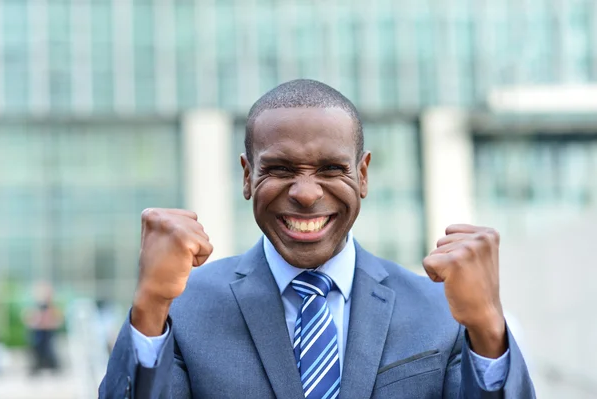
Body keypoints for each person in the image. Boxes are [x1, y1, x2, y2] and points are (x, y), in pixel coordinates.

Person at [99, 80, 535, 398]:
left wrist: (487, 329)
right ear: (248, 176)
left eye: (331, 169)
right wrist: (150, 306)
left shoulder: (441, 309)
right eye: (280, 169)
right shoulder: (181, 309)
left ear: (362, 175)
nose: (306, 194)